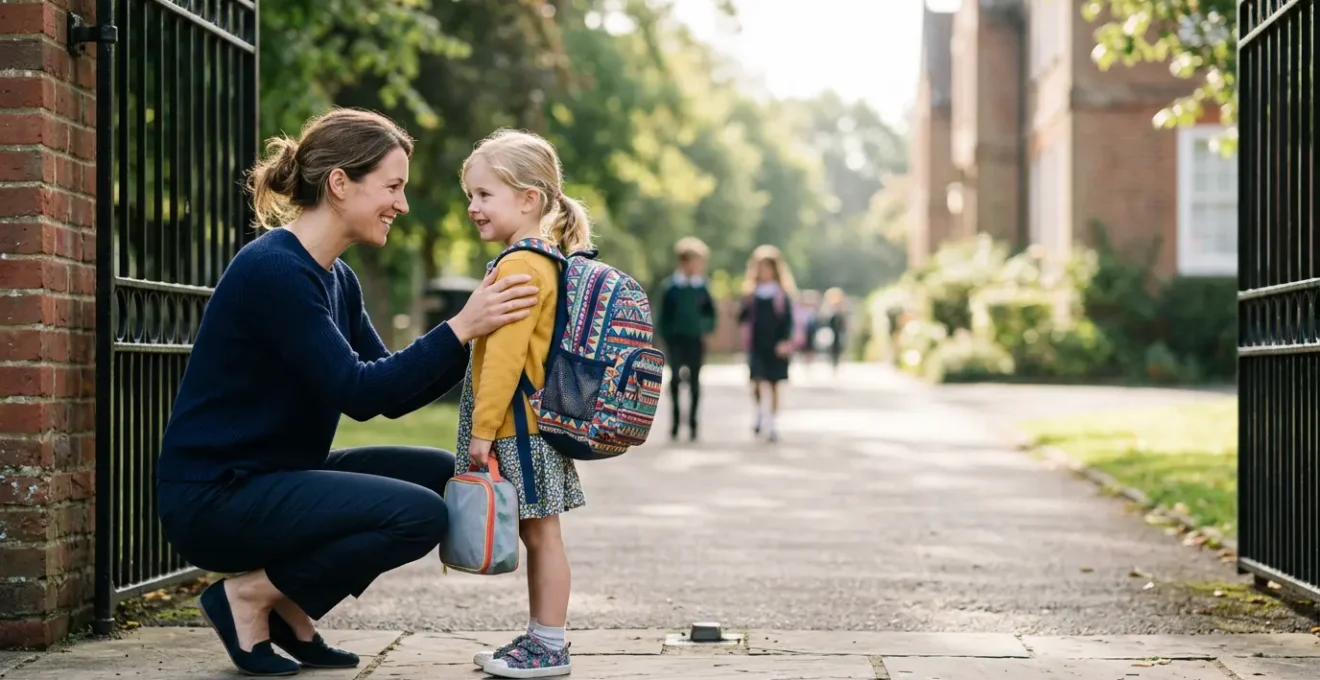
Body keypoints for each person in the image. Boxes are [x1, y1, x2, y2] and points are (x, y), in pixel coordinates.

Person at [153, 108, 541, 678]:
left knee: (441, 474)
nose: (402, 205)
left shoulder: (335, 275)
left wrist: (475, 340)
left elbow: (388, 388)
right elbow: (356, 392)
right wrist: (459, 327)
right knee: (418, 515)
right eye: (392, 187)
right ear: (340, 184)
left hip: (278, 475)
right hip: (217, 497)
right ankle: (249, 597)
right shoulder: (275, 271)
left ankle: (289, 611)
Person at [454, 128, 587, 678]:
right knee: (539, 532)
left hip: (519, 427)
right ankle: (540, 636)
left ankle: (550, 645)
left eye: (485, 194)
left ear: (528, 199)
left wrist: (482, 434)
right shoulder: (541, 260)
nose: (472, 207)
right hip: (530, 425)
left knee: (541, 533)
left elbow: (506, 360)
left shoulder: (518, 267)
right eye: (470, 195)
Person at [656, 237, 718, 441]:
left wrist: (705, 328)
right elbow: (663, 315)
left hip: (695, 340)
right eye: (695, 261)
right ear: (683, 262)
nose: (698, 266)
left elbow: (710, 313)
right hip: (675, 340)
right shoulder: (671, 287)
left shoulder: (702, 287)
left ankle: (693, 423)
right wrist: (665, 335)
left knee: (694, 381)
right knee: (674, 379)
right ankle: (674, 423)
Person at [739, 245, 797, 442]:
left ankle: (772, 422)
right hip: (757, 344)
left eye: (768, 267)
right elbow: (743, 318)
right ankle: (758, 413)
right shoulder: (752, 294)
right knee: (755, 381)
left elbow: (788, 321)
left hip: (775, 345)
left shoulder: (781, 294)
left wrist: (784, 342)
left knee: (773, 384)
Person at [821, 287, 849, 374]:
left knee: (838, 349)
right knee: (832, 349)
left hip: (838, 333)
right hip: (831, 333)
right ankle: (833, 363)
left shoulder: (841, 310)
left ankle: (836, 364)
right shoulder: (829, 310)